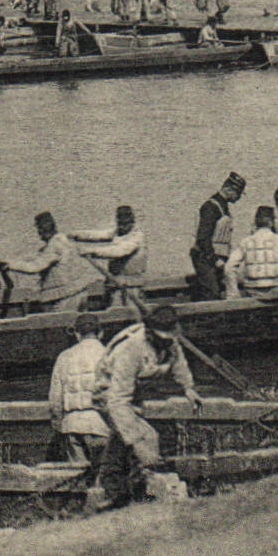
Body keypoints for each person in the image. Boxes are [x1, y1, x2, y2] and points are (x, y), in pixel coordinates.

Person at [91, 304, 202, 510]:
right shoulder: (131, 348)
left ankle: (122, 492)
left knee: (125, 442)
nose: (167, 341)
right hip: (109, 395)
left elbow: (179, 363)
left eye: (169, 338)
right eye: (162, 338)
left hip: (134, 393)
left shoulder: (170, 343)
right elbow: (117, 400)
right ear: (150, 333)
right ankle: (123, 491)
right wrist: (137, 439)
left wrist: (188, 388)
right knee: (142, 438)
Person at [48, 314, 109, 471]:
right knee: (103, 477)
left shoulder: (64, 357)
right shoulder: (109, 355)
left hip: (72, 425)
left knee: (78, 478)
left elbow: (55, 401)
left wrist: (58, 427)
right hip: (101, 424)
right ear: (101, 332)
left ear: (76, 334)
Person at [72, 205, 148, 318]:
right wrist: (76, 235)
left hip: (130, 287)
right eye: (120, 219)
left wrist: (91, 251)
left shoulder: (137, 236)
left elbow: (119, 251)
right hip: (114, 283)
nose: (123, 223)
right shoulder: (117, 232)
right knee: (112, 315)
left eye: (127, 219)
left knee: (131, 317)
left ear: (132, 220)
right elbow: (97, 235)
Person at [0, 211, 77, 309]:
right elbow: (36, 259)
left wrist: (9, 265)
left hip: (64, 295)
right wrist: (11, 262)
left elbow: (35, 267)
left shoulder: (55, 244)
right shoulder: (63, 240)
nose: (39, 233)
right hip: (72, 292)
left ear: (45, 228)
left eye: (39, 228)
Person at [191, 172, 245, 299]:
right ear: (228, 188)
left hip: (218, 258)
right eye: (237, 193)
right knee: (212, 293)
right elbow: (203, 238)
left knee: (220, 292)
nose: (238, 197)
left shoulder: (222, 206)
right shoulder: (211, 207)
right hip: (205, 258)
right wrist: (215, 259)